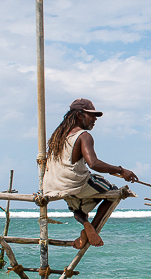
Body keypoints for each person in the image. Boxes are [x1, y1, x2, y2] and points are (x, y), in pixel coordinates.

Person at [43, 98, 138, 249]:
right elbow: (94, 163)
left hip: (54, 186)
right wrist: (121, 170)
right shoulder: (83, 136)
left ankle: (84, 222)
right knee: (113, 192)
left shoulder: (57, 136)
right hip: (74, 183)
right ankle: (90, 230)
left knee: (78, 207)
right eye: (91, 115)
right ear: (80, 115)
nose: (94, 119)